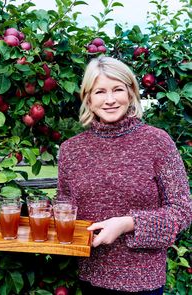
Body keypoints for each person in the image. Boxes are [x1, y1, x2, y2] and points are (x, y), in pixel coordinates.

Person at [57, 56, 192, 295]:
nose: (109, 100)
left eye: (117, 89)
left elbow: (182, 213)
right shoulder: (71, 150)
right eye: (100, 91)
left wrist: (127, 224)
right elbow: (65, 206)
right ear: (87, 97)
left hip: (142, 281)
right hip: (90, 275)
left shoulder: (157, 142)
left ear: (131, 93)